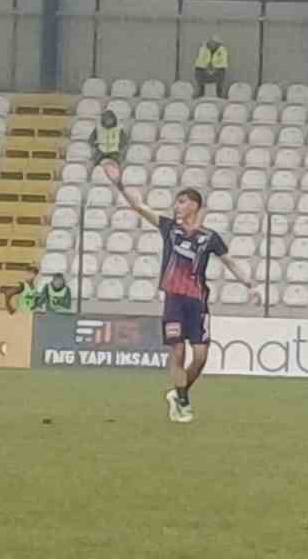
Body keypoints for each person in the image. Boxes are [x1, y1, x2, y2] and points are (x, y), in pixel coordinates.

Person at [102, 170, 260, 424]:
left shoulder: (209, 237)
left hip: (198, 301)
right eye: (177, 201)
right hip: (174, 299)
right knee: (177, 351)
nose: (177, 206)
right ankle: (183, 401)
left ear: (195, 205)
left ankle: (178, 394)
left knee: (200, 356)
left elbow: (229, 262)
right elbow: (138, 206)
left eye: (182, 201)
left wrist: (250, 284)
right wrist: (119, 183)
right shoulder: (169, 228)